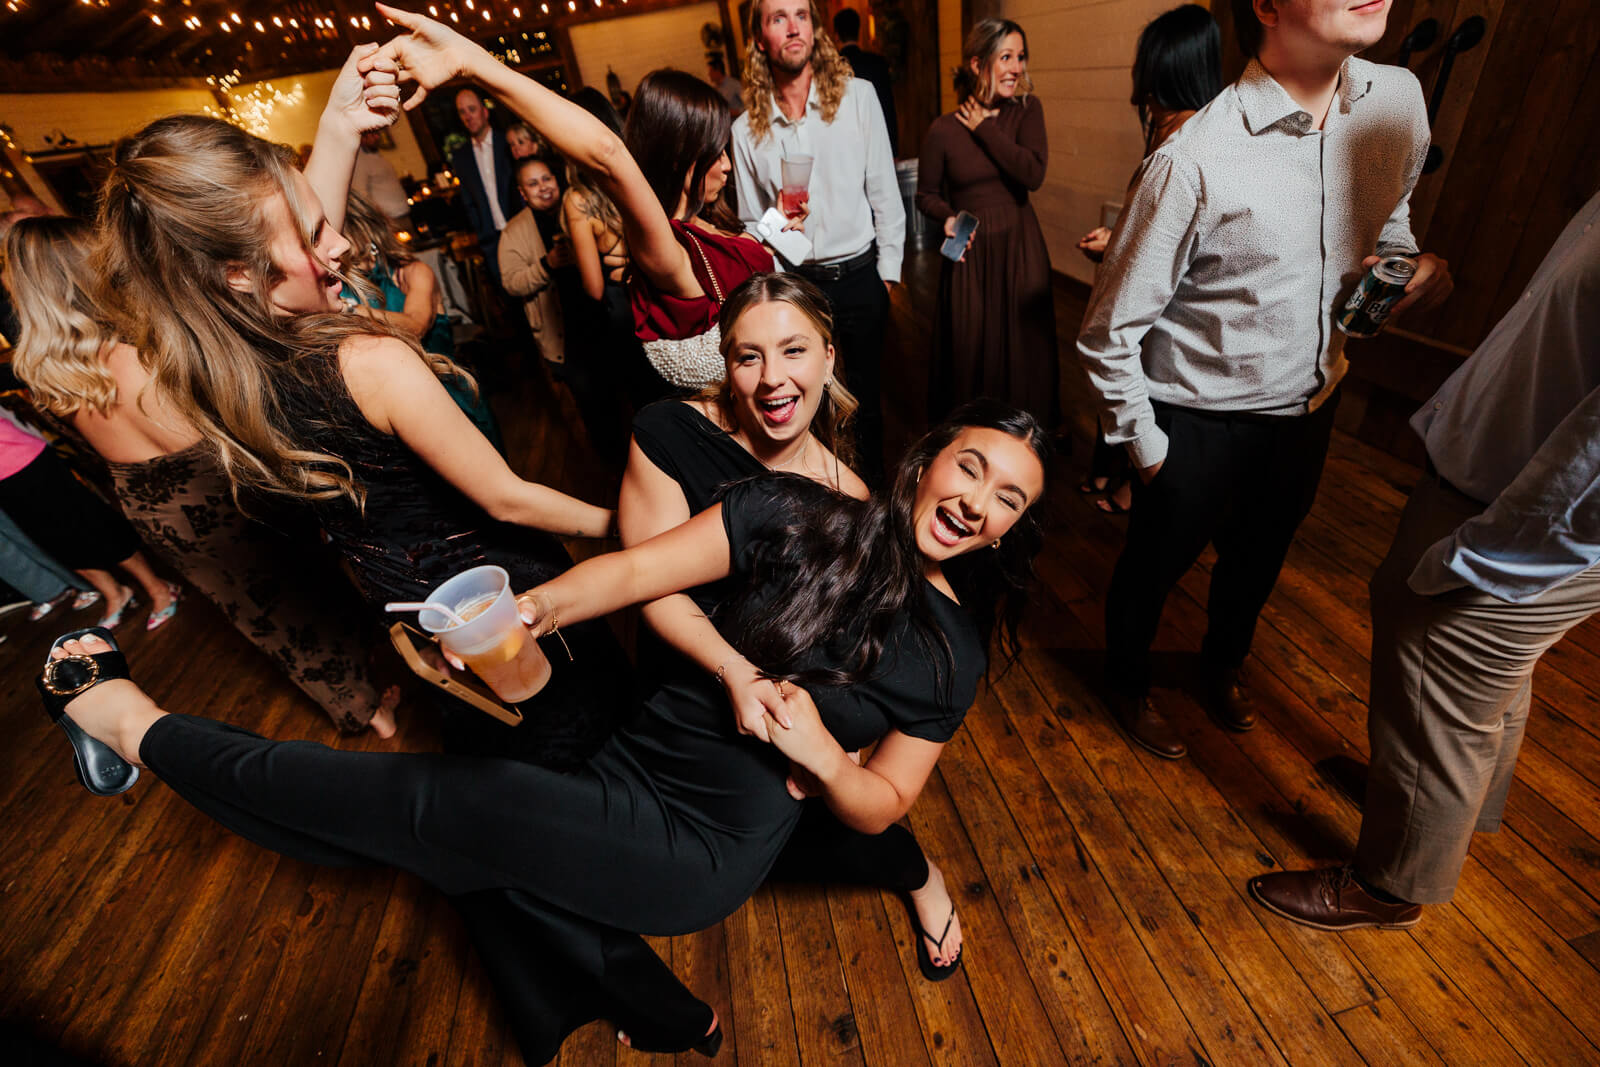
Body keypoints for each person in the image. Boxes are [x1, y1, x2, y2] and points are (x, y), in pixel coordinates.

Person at [36, 392, 1049, 1058]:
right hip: (622, 770)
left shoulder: (951, 654)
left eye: (1007, 499)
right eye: (971, 469)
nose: (978, 503)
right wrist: (534, 607)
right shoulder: (792, 510)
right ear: (927, 459)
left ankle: (135, 727)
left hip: (701, 848)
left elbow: (881, 804)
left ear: (1008, 529)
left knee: (425, 803)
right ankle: (661, 1013)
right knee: (463, 858)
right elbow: (636, 571)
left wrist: (823, 754)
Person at [1075, 0, 1454, 760]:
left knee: (1255, 565)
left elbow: (1392, 217)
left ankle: (1221, 666)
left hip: (1312, 407)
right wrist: (1150, 452)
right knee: (1152, 570)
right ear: (1269, 5)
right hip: (1196, 421)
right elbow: (1107, 333)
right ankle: (1125, 678)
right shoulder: (1193, 158)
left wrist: (1411, 266)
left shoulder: (1398, 101)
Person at [3, 76, 404, 735]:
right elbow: (207, 417)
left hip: (154, 510)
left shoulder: (47, 375)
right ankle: (388, 672)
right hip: (216, 483)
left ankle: (358, 709)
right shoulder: (145, 345)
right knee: (311, 581)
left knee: (263, 617)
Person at [1248, 189, 1600, 931]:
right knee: (1487, 678)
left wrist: (1496, 553)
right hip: (1496, 473)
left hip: (1525, 517)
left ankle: (1391, 883)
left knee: (1445, 664)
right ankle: (1438, 807)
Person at [622, 272, 969, 975]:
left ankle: (919, 874)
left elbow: (850, 647)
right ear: (727, 363)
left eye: (794, 350)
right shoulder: (668, 431)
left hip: (778, 706)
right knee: (645, 836)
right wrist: (734, 673)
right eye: (749, 356)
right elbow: (649, 587)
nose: (773, 378)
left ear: (829, 357)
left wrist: (843, 753)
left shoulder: (850, 496)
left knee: (821, 826)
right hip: (683, 670)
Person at [732, 0, 903, 486]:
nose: (793, 28)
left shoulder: (858, 98)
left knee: (867, 400)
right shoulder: (745, 130)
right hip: (797, 283)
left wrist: (887, 277)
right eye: (777, 18)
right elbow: (752, 225)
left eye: (801, 15)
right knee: (811, 402)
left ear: (814, 27)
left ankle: (872, 497)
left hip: (861, 275)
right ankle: (826, 501)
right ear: (760, 38)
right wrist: (778, 222)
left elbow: (885, 191)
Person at [1076, 3, 1223, 516]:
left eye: (1143, 60)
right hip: (1145, 304)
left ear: (1165, 66)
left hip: (1169, 323)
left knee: (1127, 371)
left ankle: (1133, 484)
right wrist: (1119, 238)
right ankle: (1116, 474)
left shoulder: (1186, 144)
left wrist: (1119, 248)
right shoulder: (1168, 127)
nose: (1135, 71)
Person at [917, 17, 1057, 433]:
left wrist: (985, 129)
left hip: (1020, 248)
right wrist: (947, 217)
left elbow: (1032, 174)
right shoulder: (943, 129)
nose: (1016, 67)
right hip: (969, 251)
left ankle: (1026, 436)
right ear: (978, 64)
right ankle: (972, 435)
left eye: (1020, 57)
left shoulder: (1027, 111)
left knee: (1024, 350)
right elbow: (925, 194)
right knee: (969, 346)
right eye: (1005, 57)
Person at [342, 190, 503, 451]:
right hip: (399, 420)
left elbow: (415, 326)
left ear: (362, 227)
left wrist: (349, 310)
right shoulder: (340, 289)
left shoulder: (412, 272)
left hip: (451, 401)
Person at [0, 403, 177, 631]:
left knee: (91, 525)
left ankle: (159, 588)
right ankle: (115, 594)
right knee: (55, 541)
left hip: (24, 460)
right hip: (3, 484)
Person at [499, 155, 572, 370]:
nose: (543, 187)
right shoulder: (513, 232)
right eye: (533, 184)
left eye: (546, 179)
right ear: (523, 193)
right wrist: (546, 265)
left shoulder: (577, 210)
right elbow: (511, 283)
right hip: (561, 336)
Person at [449, 87, 521, 285]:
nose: (468, 116)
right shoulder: (461, 157)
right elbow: (468, 201)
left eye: (472, 109)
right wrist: (481, 231)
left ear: (485, 112)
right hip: (491, 241)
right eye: (462, 112)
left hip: (520, 230)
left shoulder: (507, 143)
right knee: (506, 295)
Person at [832, 7, 897, 157]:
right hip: (877, 141)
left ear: (836, 35)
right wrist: (894, 151)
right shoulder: (877, 63)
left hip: (845, 146)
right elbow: (888, 108)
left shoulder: (832, 67)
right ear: (859, 31)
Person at [351, 128, 412, 227]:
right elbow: (362, 194)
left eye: (377, 134)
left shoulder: (377, 156)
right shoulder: (360, 161)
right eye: (372, 134)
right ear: (362, 138)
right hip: (390, 220)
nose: (377, 137)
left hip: (403, 213)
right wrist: (382, 217)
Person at [707, 53, 744, 118]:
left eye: (711, 71)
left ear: (718, 71)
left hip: (738, 122)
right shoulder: (715, 89)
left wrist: (734, 113)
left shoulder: (734, 84)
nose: (709, 74)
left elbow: (749, 105)